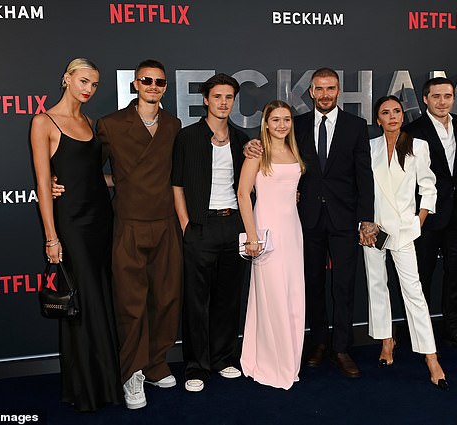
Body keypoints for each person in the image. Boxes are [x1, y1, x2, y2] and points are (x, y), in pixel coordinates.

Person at [53, 59, 183, 409]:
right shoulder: (110, 125)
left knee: (167, 298)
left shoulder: (173, 124)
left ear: (165, 87)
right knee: (131, 303)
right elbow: (88, 169)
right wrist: (56, 183)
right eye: (146, 80)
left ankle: (156, 363)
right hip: (127, 224)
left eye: (159, 81)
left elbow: (180, 173)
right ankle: (132, 372)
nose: (153, 86)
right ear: (135, 85)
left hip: (166, 223)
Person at [245, 68, 376, 378]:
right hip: (305, 222)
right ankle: (317, 342)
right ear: (312, 92)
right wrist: (249, 148)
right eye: (319, 89)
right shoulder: (297, 125)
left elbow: (364, 175)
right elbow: (271, 150)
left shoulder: (356, 126)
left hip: (344, 221)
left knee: (343, 287)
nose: (325, 94)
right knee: (313, 285)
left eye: (331, 88)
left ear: (339, 90)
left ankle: (341, 348)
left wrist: (366, 219)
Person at [30, 58, 123, 411]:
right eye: (83, 81)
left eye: (95, 85)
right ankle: (87, 389)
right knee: (81, 305)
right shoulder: (43, 121)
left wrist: (128, 182)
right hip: (71, 224)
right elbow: (43, 183)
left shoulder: (91, 123)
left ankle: (107, 381)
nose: (89, 89)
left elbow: (95, 176)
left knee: (100, 298)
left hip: (102, 219)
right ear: (66, 79)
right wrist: (52, 239)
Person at [362, 95, 448, 390]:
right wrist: (364, 223)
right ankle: (387, 340)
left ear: (403, 115)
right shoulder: (369, 147)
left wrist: (418, 222)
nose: (393, 116)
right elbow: (362, 187)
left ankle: (431, 357)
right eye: (386, 113)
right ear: (378, 119)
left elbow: (428, 186)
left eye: (397, 111)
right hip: (373, 230)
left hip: (403, 230)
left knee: (413, 292)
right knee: (377, 286)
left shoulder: (417, 146)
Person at [172, 73, 250, 393]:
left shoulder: (243, 139)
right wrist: (186, 226)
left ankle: (224, 359)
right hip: (200, 227)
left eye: (228, 97)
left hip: (233, 225)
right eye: (217, 97)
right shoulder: (188, 137)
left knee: (228, 300)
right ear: (206, 100)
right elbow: (176, 185)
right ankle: (196, 365)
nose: (222, 103)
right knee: (197, 301)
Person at [403, 77, 457, 353]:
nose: (442, 101)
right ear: (425, 99)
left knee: (456, 274)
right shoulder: (412, 130)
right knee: (420, 277)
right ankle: (418, 336)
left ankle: (452, 330)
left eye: (447, 96)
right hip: (426, 214)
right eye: (436, 96)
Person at [238, 100, 307, 390]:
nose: (281, 125)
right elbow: (242, 194)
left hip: (293, 229)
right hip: (266, 230)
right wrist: (252, 236)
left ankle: (290, 360)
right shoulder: (257, 152)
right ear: (265, 122)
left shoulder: (294, 149)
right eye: (275, 119)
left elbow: (291, 189)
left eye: (287, 119)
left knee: (293, 296)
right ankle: (270, 362)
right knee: (272, 297)